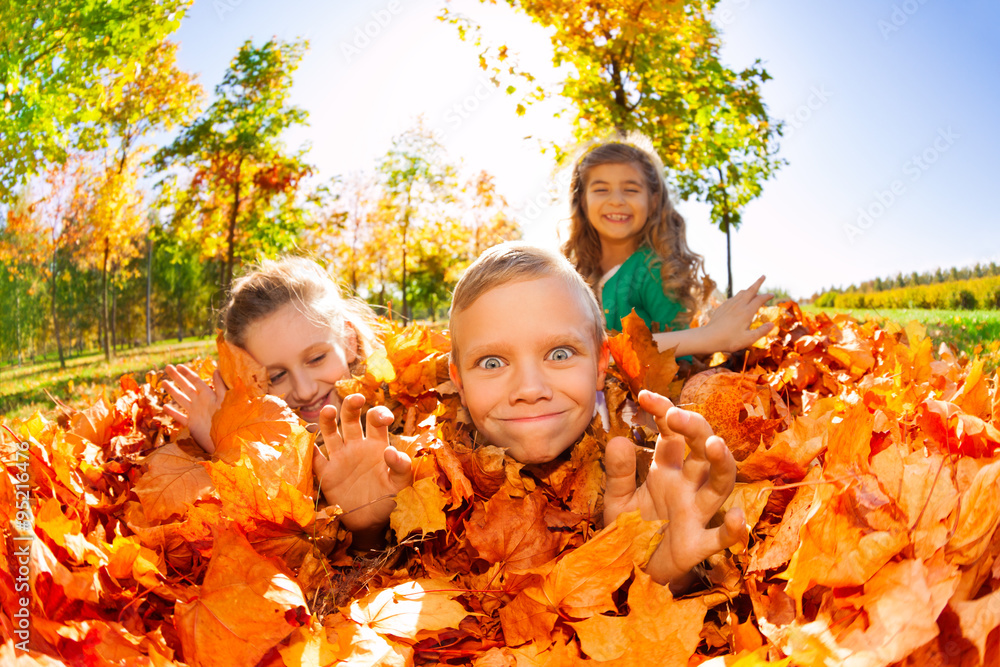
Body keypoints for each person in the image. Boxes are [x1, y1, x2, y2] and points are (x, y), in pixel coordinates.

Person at [447, 242, 746, 591]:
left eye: (559, 354)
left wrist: (664, 567)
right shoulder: (437, 464)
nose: (530, 389)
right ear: (460, 383)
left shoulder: (642, 438)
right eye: (492, 363)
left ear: (601, 365)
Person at [162, 256, 412, 541]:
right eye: (276, 377)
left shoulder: (408, 417)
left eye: (317, 358)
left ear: (347, 341)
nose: (305, 391)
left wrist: (371, 529)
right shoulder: (255, 448)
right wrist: (227, 444)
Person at [562, 135, 775, 356]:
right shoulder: (572, 273)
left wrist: (709, 337)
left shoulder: (657, 271)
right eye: (601, 189)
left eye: (631, 190)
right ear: (582, 201)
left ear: (653, 201)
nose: (616, 200)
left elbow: (681, 359)